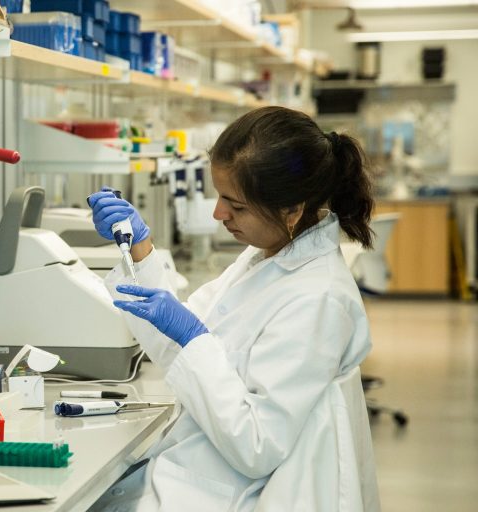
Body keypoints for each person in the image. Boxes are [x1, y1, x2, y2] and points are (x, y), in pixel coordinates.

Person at [87, 106, 380, 512]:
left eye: (235, 205)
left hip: (248, 493)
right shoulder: (267, 257)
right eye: (219, 196)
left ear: (292, 210)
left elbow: (258, 445)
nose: (218, 214)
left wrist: (195, 339)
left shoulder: (319, 298)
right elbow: (182, 344)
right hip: (205, 475)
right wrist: (140, 248)